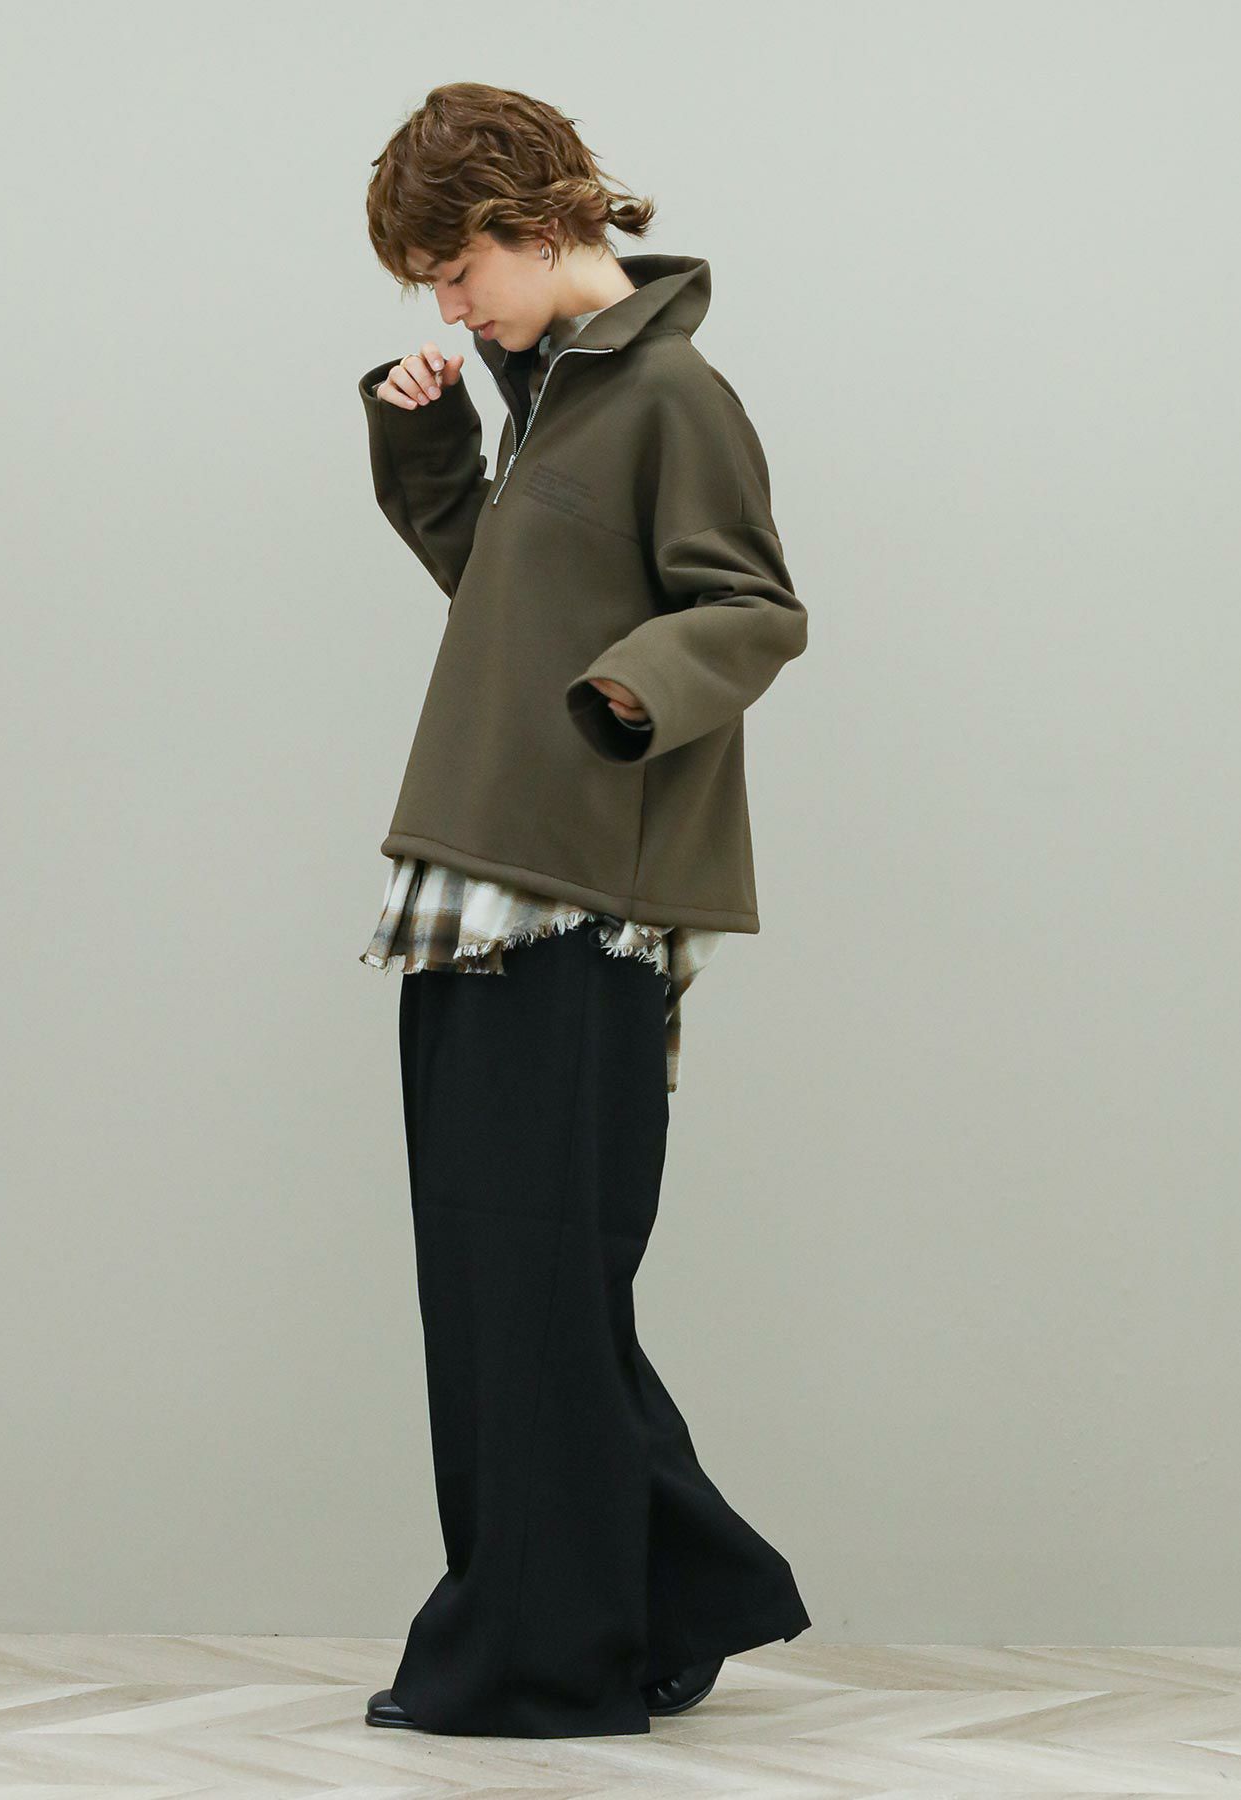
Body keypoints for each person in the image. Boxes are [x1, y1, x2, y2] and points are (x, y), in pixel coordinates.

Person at [355, 80, 811, 1739]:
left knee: (536, 1292)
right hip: (471, 886)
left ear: (537, 225)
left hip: (575, 901)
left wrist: (631, 692)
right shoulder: (546, 397)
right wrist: (428, 444)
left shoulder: (672, 395)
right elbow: (497, 598)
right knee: (498, 1294)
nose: (446, 305)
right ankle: (659, 1600)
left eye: (455, 269)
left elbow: (754, 606)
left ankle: (554, 1651)